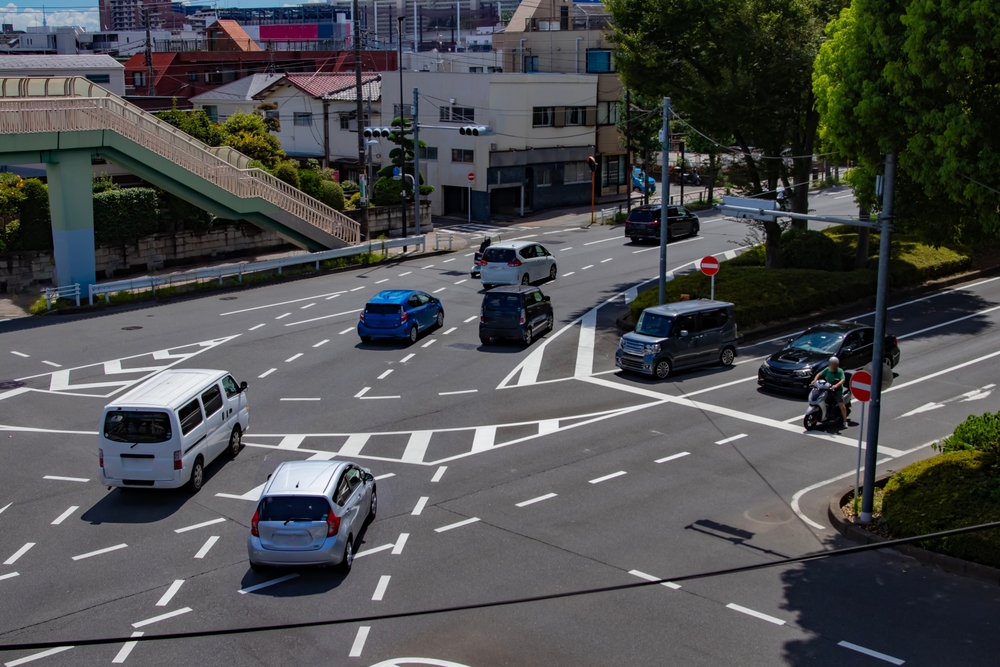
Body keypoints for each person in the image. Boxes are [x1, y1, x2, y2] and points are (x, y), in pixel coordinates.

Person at [813, 356, 848, 427]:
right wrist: (815, 380)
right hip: (828, 388)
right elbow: (819, 374)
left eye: (833, 364)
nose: (831, 365)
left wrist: (837, 385)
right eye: (830, 363)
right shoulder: (827, 369)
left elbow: (843, 379)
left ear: (836, 364)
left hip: (837, 390)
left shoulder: (840, 371)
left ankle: (845, 421)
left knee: (842, 406)